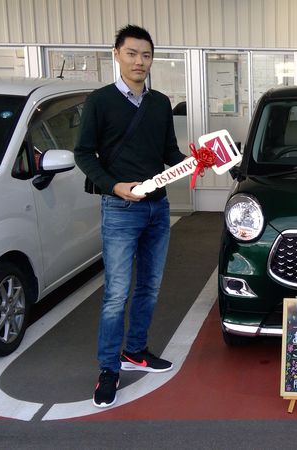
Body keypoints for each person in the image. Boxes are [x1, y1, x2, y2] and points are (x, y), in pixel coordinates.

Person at [74, 24, 186, 408]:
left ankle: (135, 351)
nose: (140, 61)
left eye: (146, 55)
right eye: (132, 53)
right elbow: (83, 153)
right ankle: (108, 368)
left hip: (158, 207)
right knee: (116, 293)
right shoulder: (100, 101)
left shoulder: (160, 103)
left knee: (149, 287)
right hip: (120, 208)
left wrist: (195, 162)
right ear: (117, 55)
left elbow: (169, 152)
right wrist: (113, 186)